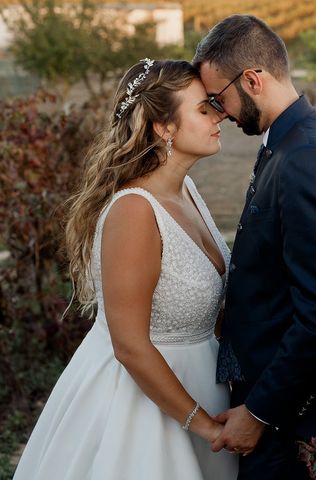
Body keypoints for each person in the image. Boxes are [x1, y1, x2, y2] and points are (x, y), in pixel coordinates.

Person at [13, 59, 238, 479]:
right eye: (203, 109)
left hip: (202, 385)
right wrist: (205, 425)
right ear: (163, 127)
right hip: (142, 406)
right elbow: (130, 345)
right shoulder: (134, 211)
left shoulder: (186, 190)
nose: (219, 115)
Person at [193, 15, 316, 479]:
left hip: (290, 417)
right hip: (279, 402)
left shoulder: (306, 158)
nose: (220, 112)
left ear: (252, 80)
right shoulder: (290, 140)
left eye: (219, 98)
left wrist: (259, 413)